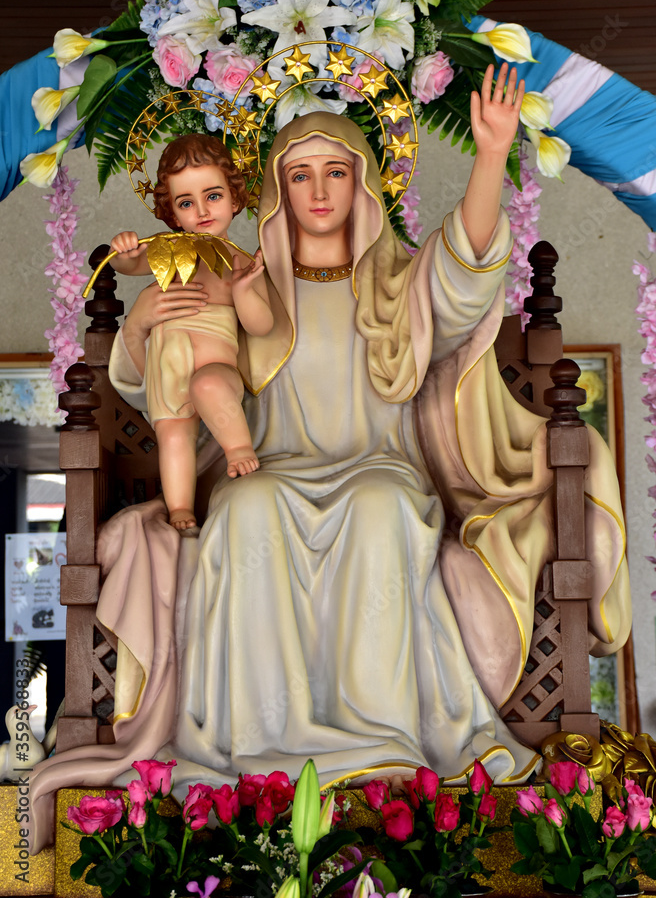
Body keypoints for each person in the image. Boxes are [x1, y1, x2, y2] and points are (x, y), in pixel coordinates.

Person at [28, 66, 630, 847]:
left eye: (336, 173)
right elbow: (173, 379)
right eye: (300, 175)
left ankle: (379, 745)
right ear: (276, 192)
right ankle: (250, 752)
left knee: (380, 513)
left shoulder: (395, 285)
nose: (319, 192)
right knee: (245, 512)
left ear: (364, 185)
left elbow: (465, 273)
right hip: (266, 468)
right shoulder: (243, 280)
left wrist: (490, 159)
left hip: (380, 471)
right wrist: (142, 323)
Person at [109, 134, 273, 532]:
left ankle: (238, 448)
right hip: (168, 360)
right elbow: (129, 266)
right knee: (174, 436)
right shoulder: (168, 249)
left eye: (213, 196)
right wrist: (125, 251)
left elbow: (262, 324)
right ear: (172, 213)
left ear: (235, 199)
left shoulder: (240, 262)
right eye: (186, 202)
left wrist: (243, 290)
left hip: (216, 362)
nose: (201, 210)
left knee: (210, 385)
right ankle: (180, 508)